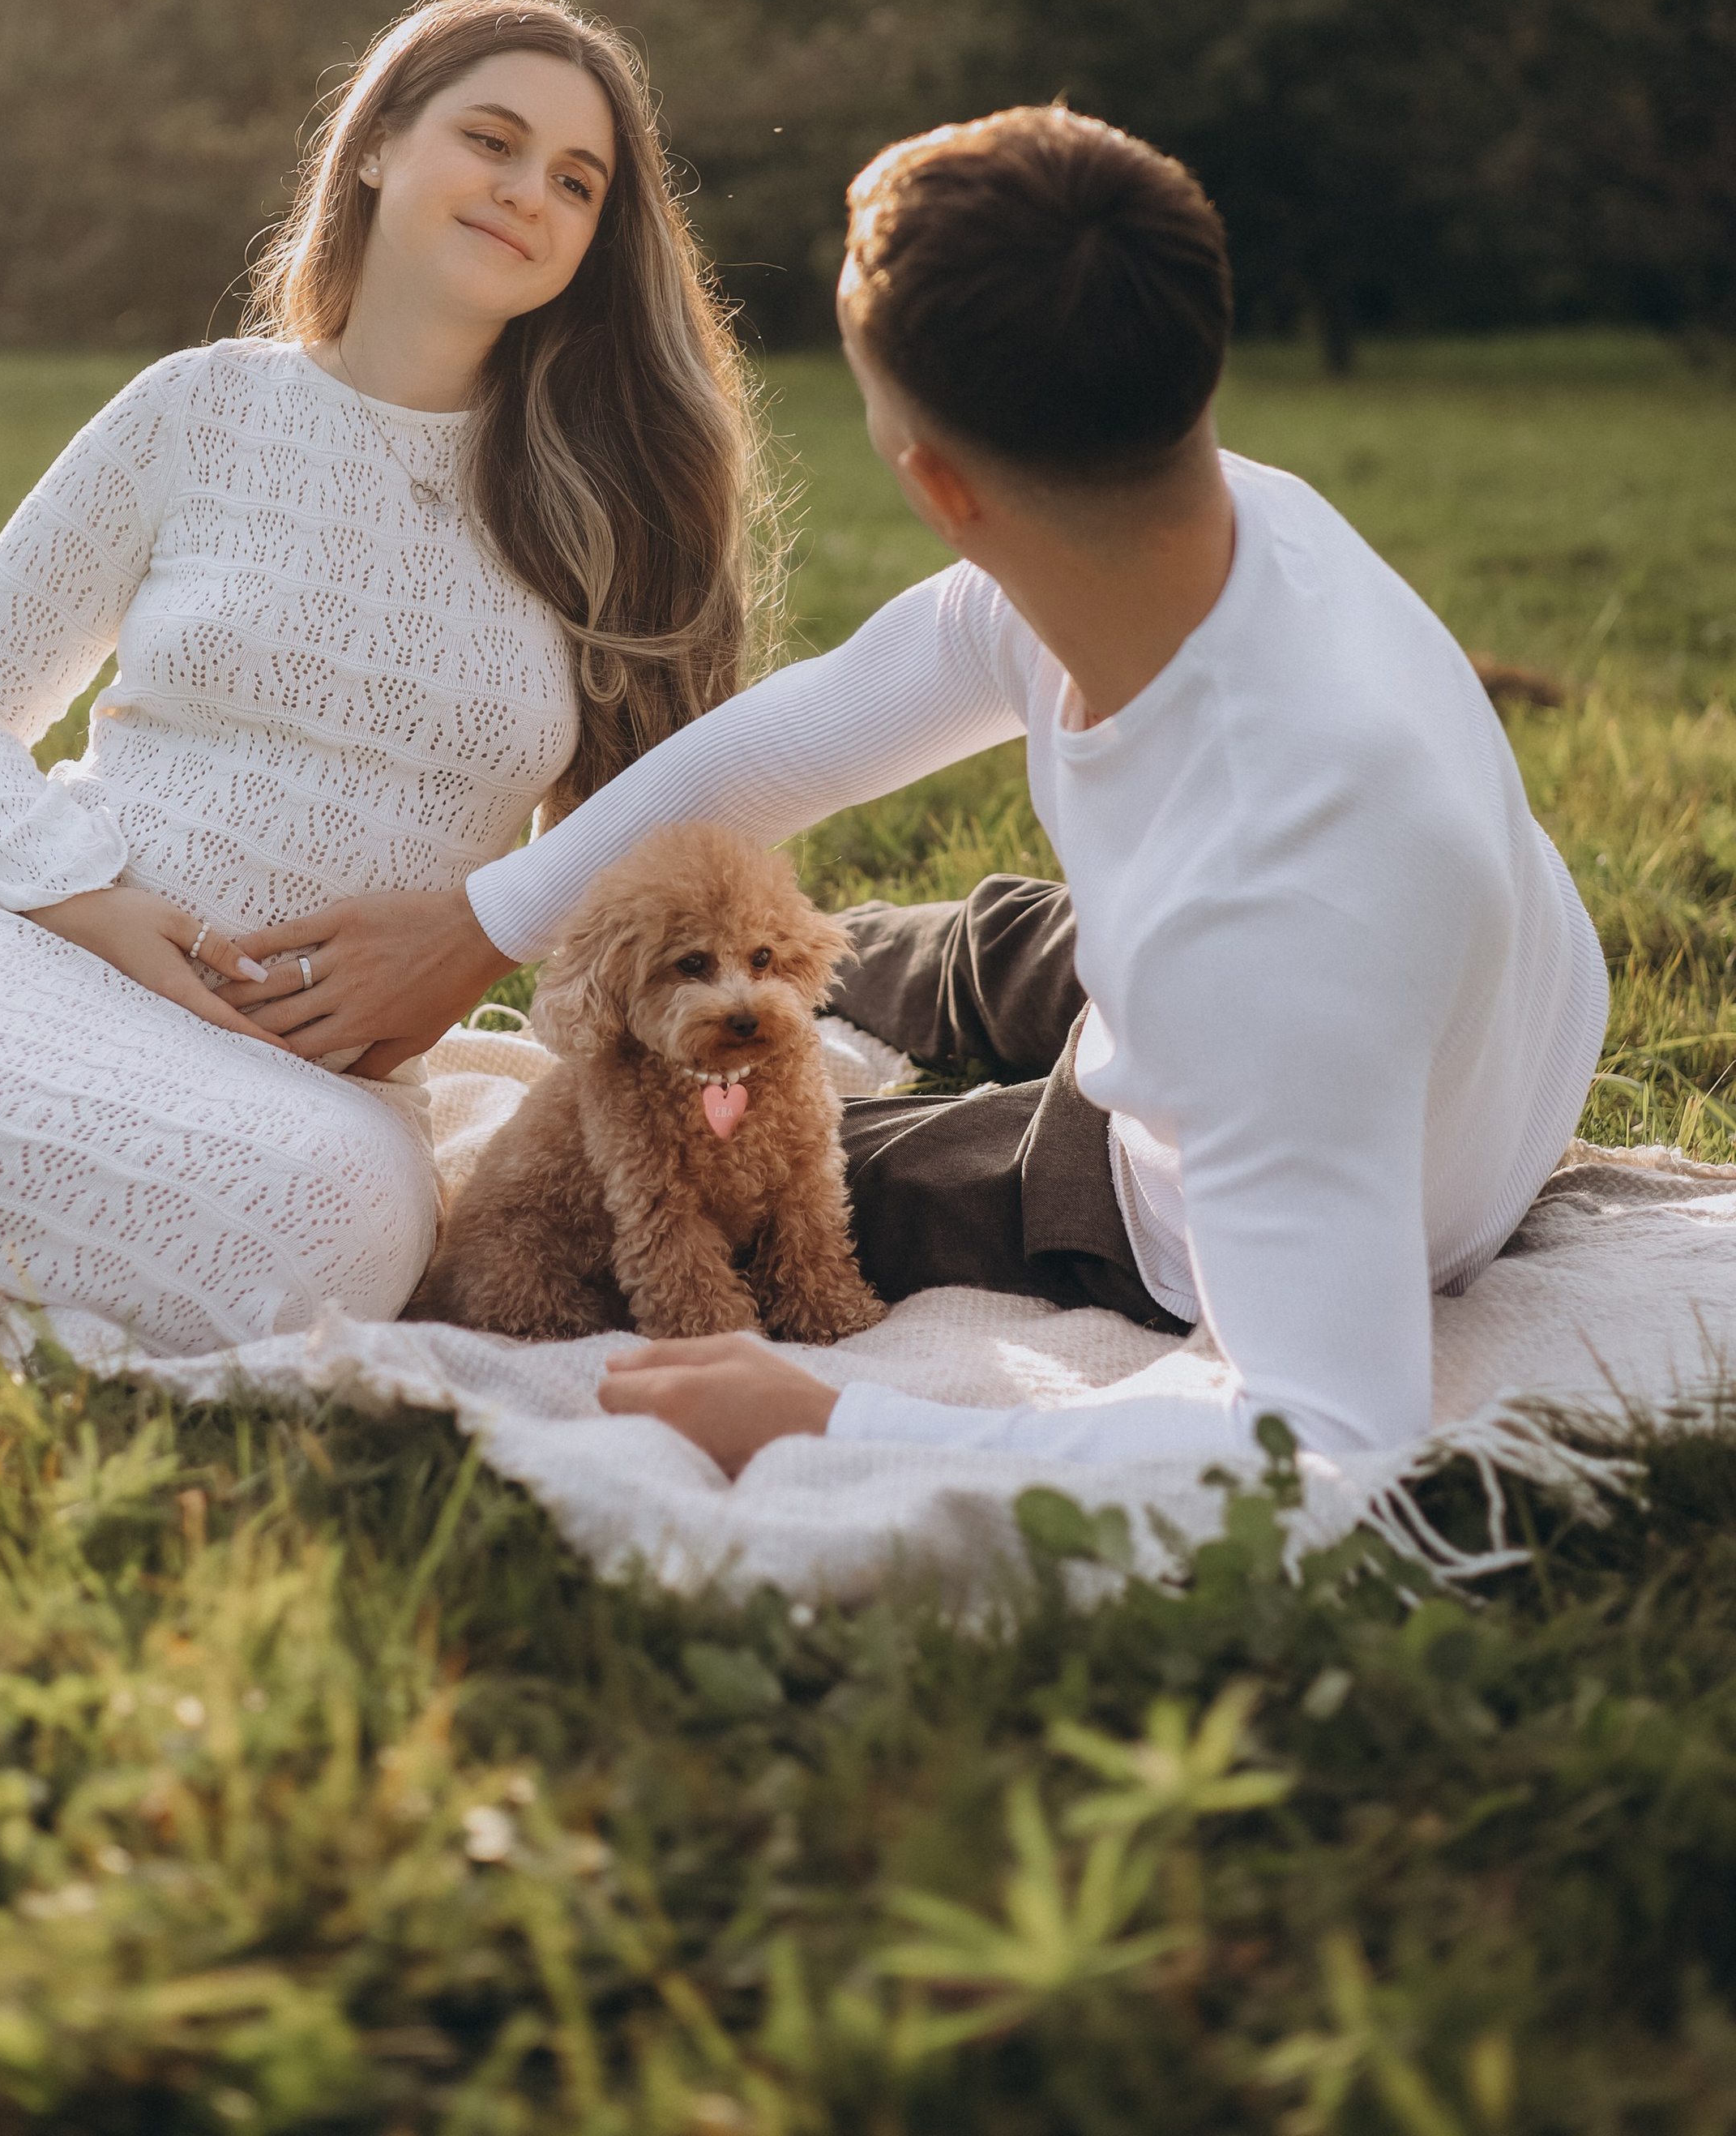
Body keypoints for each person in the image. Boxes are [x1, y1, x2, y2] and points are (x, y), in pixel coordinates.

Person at [301, 104, 1609, 1475]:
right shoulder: (1230, 517)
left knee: (787, 1157)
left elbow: (1327, 1449)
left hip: (1399, 1146)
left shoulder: (1254, 939)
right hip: (1481, 989)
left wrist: (832, 1418)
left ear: (935, 482)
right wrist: (485, 925)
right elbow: (799, 735)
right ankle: (834, 965)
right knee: (957, 940)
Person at [0, 0, 772, 1352]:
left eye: (576, 182)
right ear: (374, 148)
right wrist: (88, 899)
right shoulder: (197, 409)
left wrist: (482, 948)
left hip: (310, 1080)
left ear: (596, 242)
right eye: (492, 140)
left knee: (329, 1245)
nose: (526, 192)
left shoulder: (610, 504)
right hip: (29, 942)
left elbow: (645, 855)